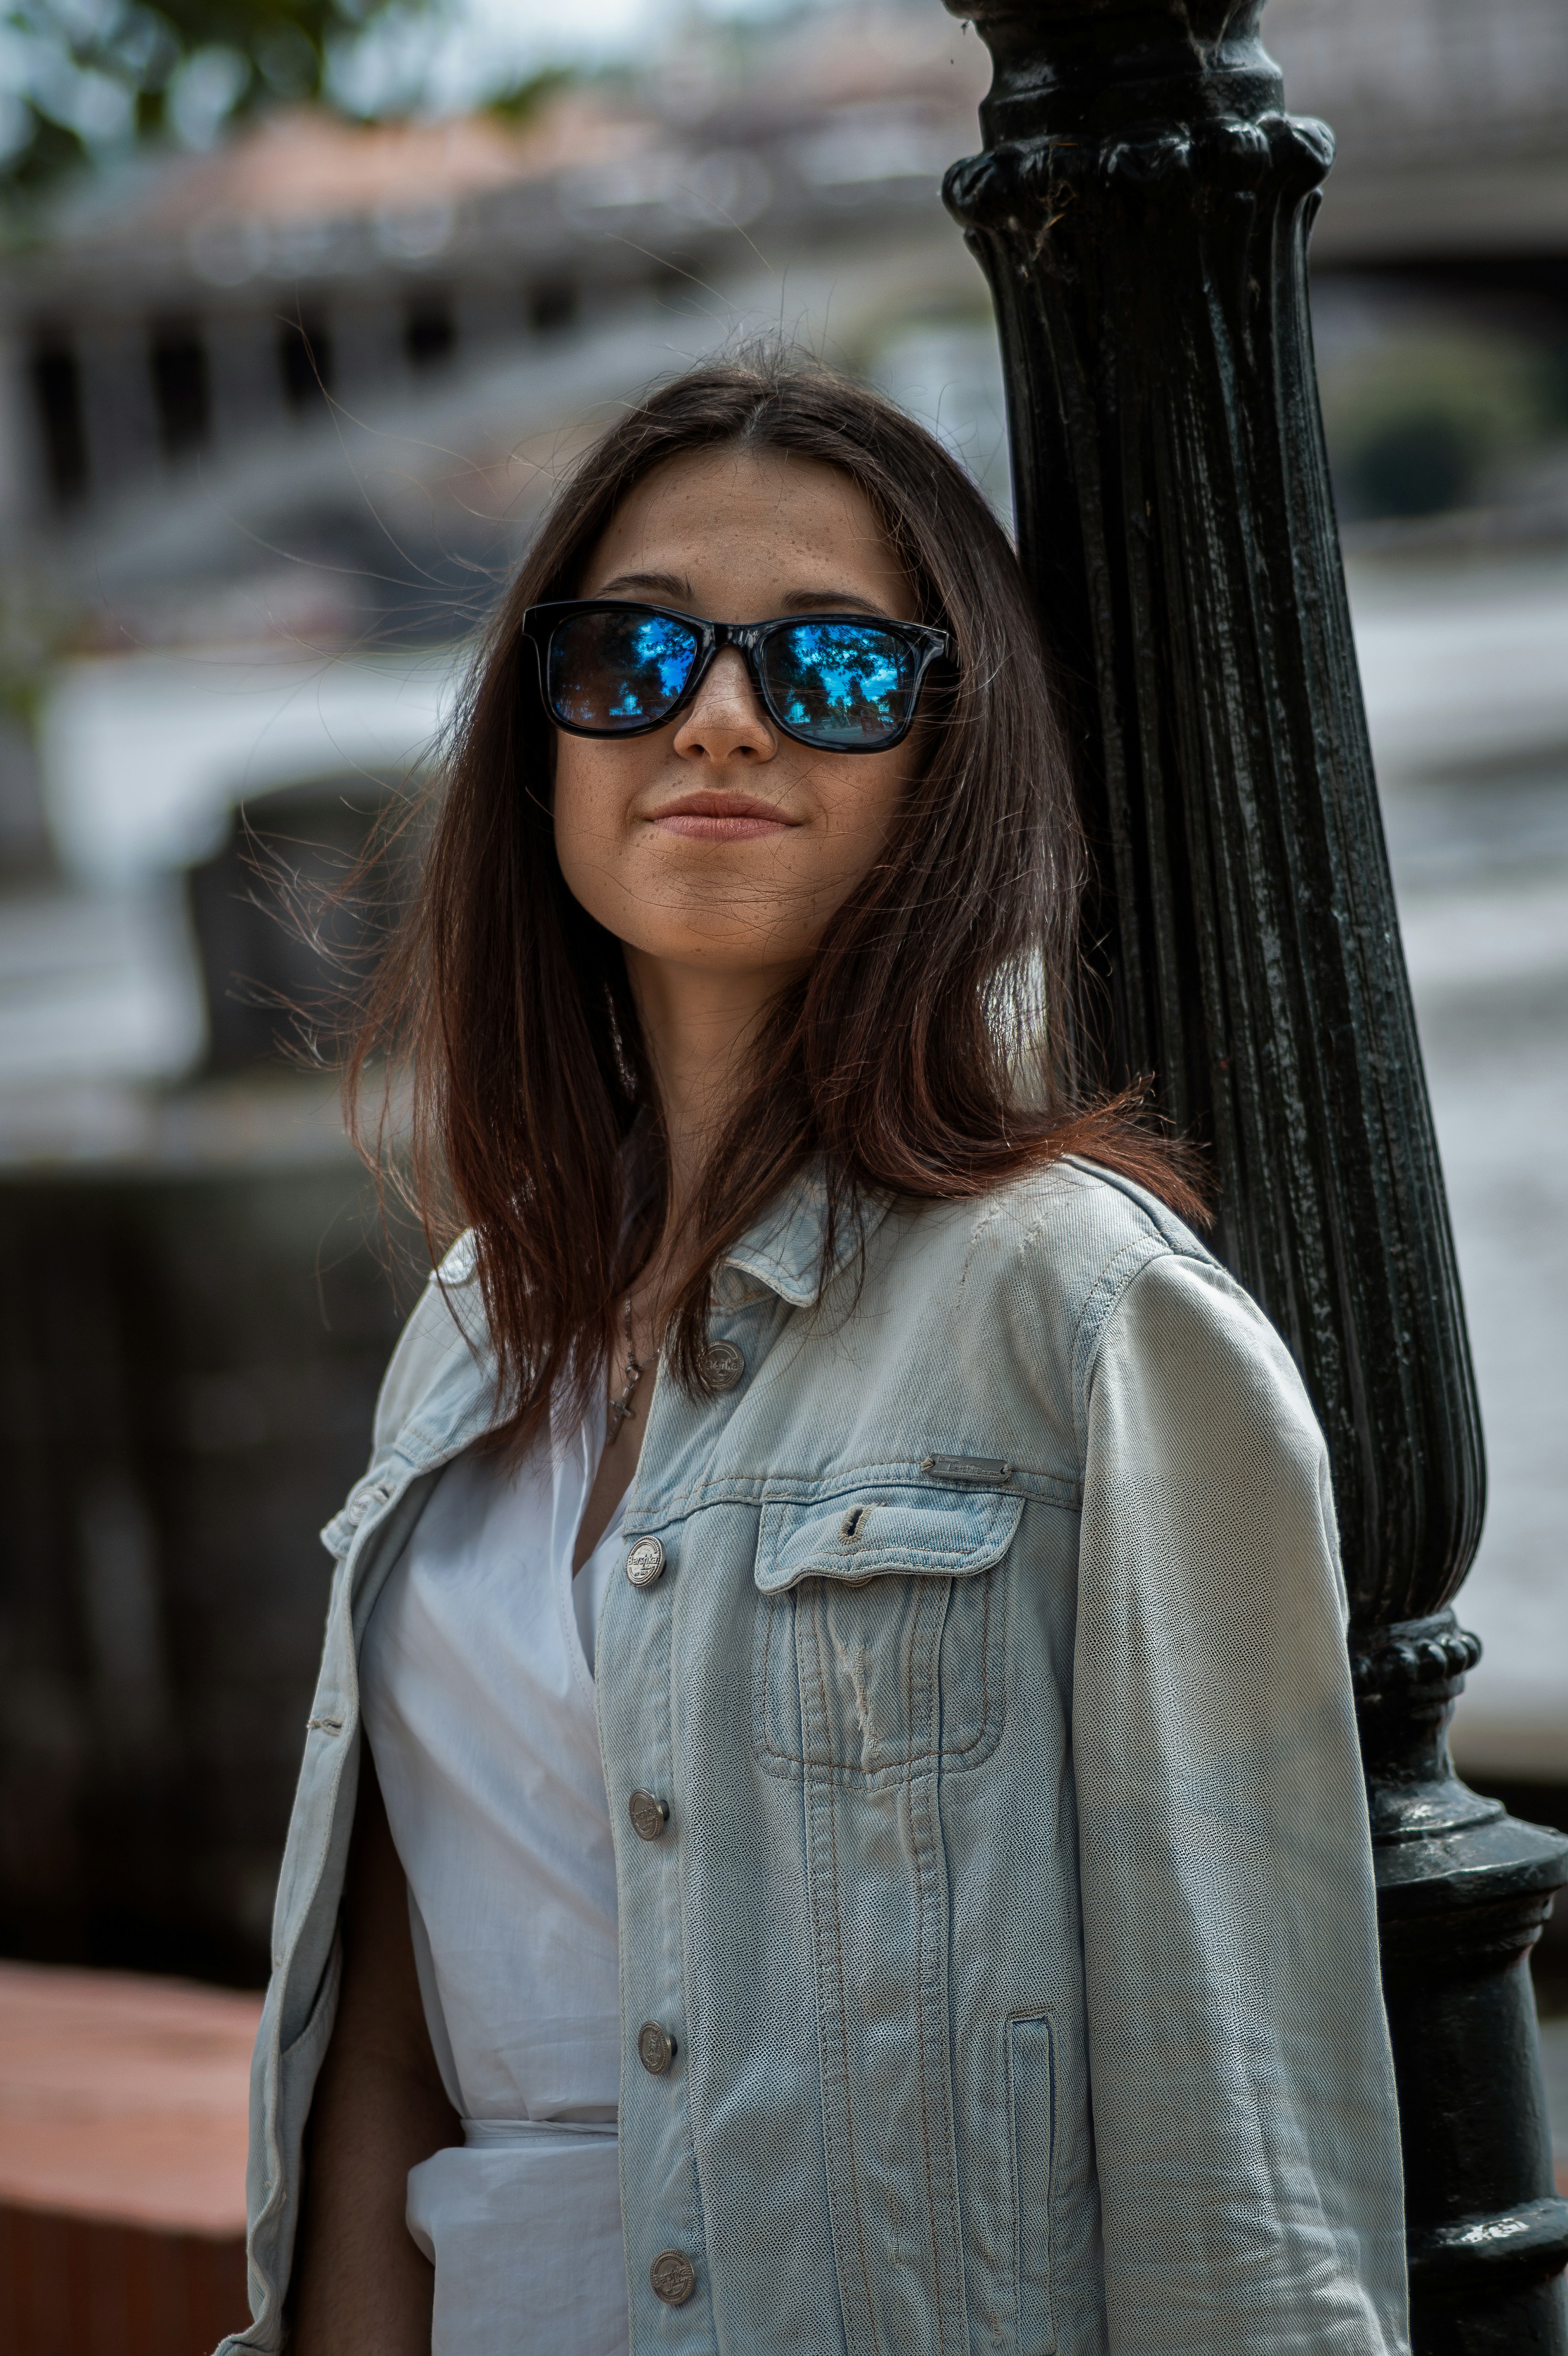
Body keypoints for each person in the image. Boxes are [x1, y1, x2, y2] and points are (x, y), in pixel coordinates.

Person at [220, 352, 1409, 2356]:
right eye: (631, 654)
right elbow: (394, 2060)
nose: (716, 715)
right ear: (539, 743)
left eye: (833, 666)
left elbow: (1243, 2161)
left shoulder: (1084, 1318)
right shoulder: (472, 1328)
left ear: (948, 758)